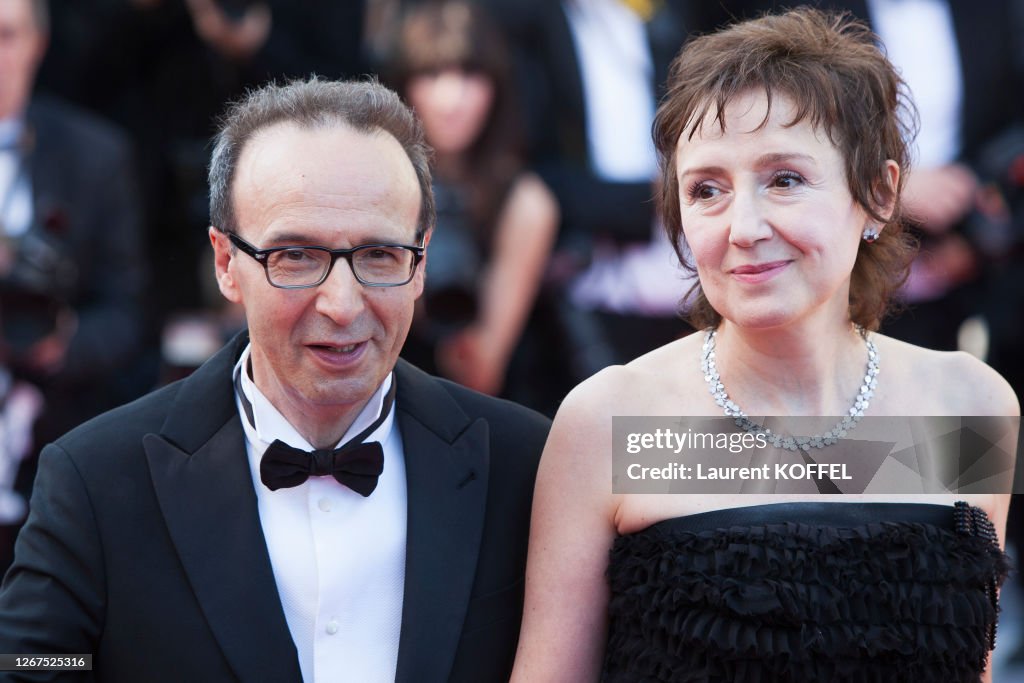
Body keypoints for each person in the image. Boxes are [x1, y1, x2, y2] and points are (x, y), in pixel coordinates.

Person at [511, 9, 1018, 683]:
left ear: (879, 192)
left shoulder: (968, 404)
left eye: (785, 179)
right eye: (707, 190)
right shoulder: (609, 420)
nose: (743, 227)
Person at [0, 77, 550, 683]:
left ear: (420, 262)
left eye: (378, 256)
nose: (342, 304)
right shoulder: (95, 479)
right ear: (224, 265)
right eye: (295, 257)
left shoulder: (527, 462)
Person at [0, 0, 147, 572]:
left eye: (7, 35)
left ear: (37, 43)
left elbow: (127, 311)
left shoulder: (94, 155)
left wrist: (62, 341)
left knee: (47, 660)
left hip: (52, 455)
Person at [385, 0, 559, 399]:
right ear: (404, 85)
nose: (453, 97)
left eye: (470, 74)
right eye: (431, 73)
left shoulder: (525, 202)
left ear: (496, 86)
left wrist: (454, 316)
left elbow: (481, 375)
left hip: (464, 410)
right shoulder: (375, 184)